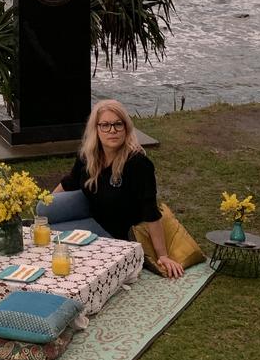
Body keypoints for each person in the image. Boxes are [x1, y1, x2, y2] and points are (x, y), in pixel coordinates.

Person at [47, 99, 184, 279]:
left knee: (53, 238)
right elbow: (70, 182)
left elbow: (150, 210)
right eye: (105, 125)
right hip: (90, 212)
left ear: (126, 128)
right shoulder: (88, 154)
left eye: (118, 124)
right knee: (43, 212)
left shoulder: (138, 164)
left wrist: (163, 256)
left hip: (113, 231)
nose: (112, 130)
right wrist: (46, 203)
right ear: (96, 128)